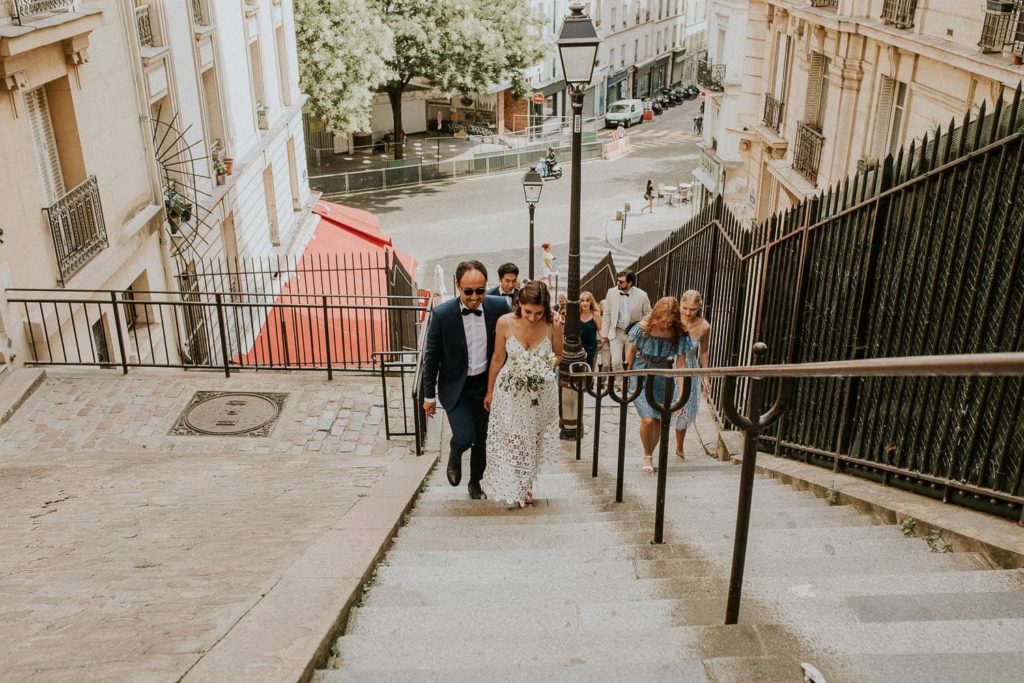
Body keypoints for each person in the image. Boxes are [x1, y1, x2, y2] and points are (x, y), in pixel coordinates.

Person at [422, 260, 511, 499]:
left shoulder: (500, 306)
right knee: (465, 436)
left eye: (480, 290)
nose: (474, 297)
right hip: (456, 387)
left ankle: (475, 483)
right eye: (468, 291)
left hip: (486, 385)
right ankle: (455, 449)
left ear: (486, 286)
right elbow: (431, 358)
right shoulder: (442, 315)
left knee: (483, 440)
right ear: (457, 285)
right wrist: (428, 395)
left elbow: (521, 326)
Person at [481, 282, 564, 508]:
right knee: (515, 440)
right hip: (510, 390)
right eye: (528, 312)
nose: (533, 317)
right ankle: (518, 484)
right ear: (519, 304)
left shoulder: (553, 324)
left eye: (538, 313)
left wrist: (539, 366)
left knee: (534, 439)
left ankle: (526, 487)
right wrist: (489, 391)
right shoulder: (504, 323)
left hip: (541, 390)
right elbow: (498, 359)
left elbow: (558, 355)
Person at [625, 297, 690, 474]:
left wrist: (681, 395)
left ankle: (650, 452)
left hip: (664, 377)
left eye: (670, 322)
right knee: (647, 419)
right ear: (656, 316)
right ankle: (647, 455)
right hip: (642, 375)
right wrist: (625, 376)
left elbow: (681, 364)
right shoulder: (644, 327)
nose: (666, 325)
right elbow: (631, 351)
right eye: (663, 321)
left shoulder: (679, 332)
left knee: (658, 421)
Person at [674, 289, 712, 459]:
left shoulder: (704, 326)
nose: (688, 312)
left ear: (699, 308)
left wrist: (705, 376)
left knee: (684, 411)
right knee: (661, 409)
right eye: (685, 308)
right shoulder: (673, 319)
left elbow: (703, 352)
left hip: (689, 368)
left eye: (692, 309)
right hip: (668, 366)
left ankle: (679, 448)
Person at [600, 269, 652, 371]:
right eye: (617, 280)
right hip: (616, 331)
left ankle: (627, 383)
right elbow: (607, 313)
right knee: (616, 362)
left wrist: (644, 329)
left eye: (621, 282)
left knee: (629, 362)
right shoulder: (611, 292)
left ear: (630, 283)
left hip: (633, 333)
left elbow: (648, 314)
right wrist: (604, 334)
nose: (617, 283)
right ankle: (620, 384)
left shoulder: (642, 295)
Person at [579, 291, 603, 369]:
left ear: (591, 302)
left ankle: (589, 381)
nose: (584, 303)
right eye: (582, 301)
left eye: (587, 300)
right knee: (580, 368)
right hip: (579, 346)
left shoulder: (595, 315)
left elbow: (600, 329)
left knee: (590, 368)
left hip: (591, 347)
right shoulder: (577, 314)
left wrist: (602, 337)